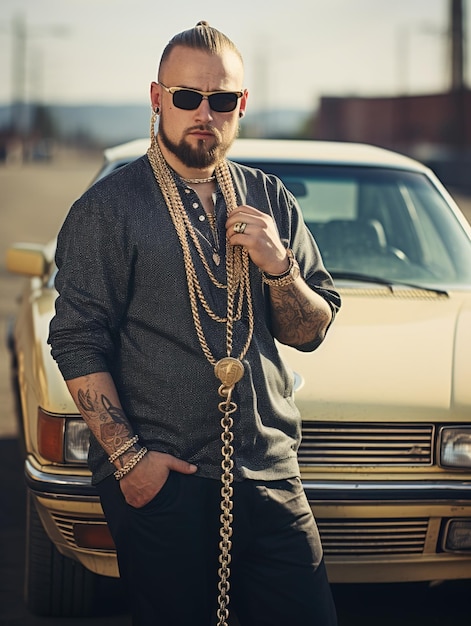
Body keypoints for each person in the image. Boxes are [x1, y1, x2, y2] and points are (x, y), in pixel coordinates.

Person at [48, 20, 341, 626]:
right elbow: (76, 339)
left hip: (269, 472)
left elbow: (311, 330)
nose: (204, 112)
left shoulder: (269, 198)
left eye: (222, 100)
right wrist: (131, 462)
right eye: (187, 97)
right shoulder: (109, 208)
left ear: (242, 105)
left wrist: (280, 268)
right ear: (158, 99)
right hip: (165, 481)